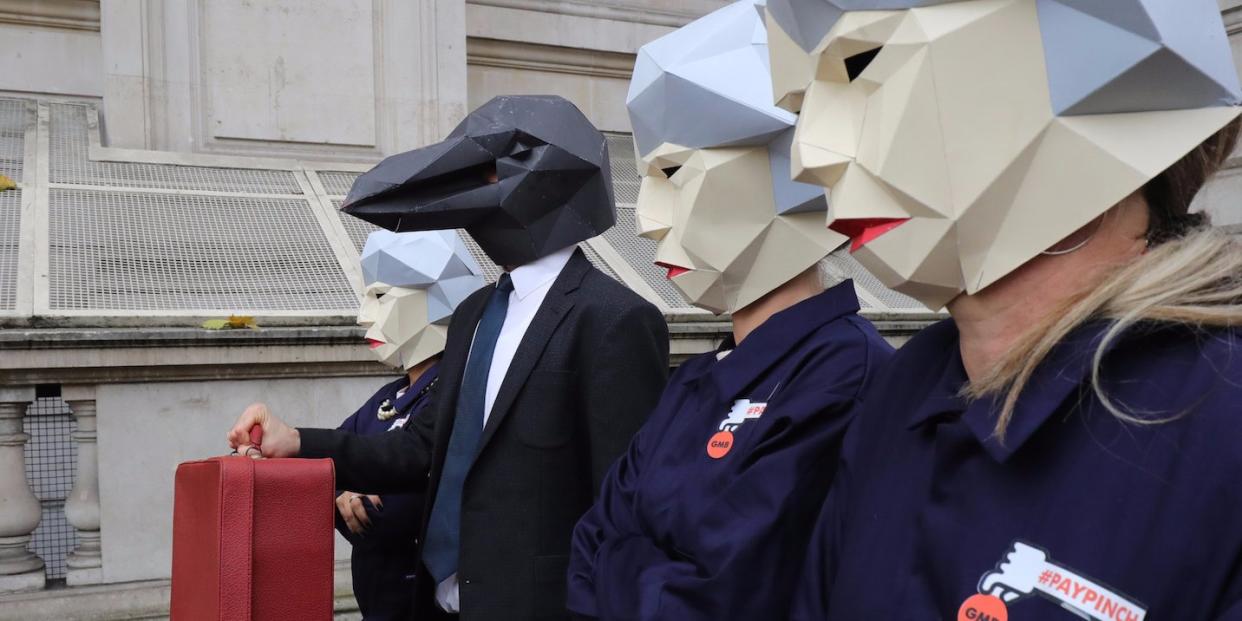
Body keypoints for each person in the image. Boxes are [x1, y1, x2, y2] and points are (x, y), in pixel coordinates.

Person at [764, 0, 1242, 618]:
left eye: (861, 67)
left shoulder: (1223, 425)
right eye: (801, 109)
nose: (809, 157)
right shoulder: (905, 387)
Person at [228, 95, 670, 621]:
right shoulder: (476, 313)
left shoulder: (615, 318)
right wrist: (297, 441)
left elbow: (623, 502)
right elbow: (423, 447)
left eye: (483, 174)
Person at [566, 3, 893, 619]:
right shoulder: (698, 376)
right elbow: (589, 542)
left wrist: (627, 561)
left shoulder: (847, 375)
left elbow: (728, 591)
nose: (647, 221)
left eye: (673, 173)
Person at [331, 229, 484, 620]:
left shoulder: (456, 394)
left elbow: (388, 515)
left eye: (381, 296)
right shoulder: (389, 396)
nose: (364, 315)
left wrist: (348, 493)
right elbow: (330, 458)